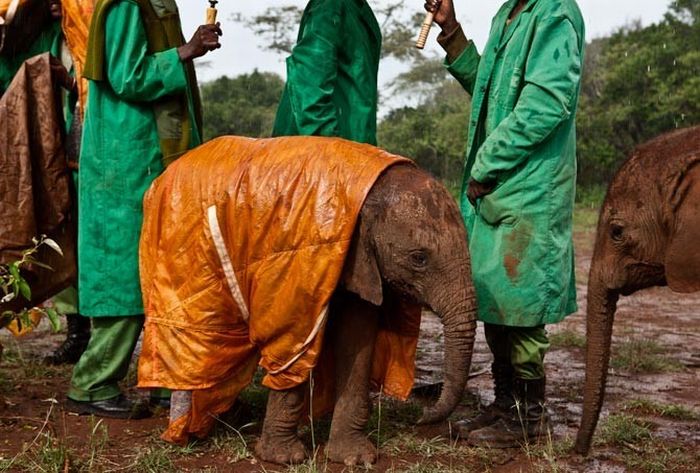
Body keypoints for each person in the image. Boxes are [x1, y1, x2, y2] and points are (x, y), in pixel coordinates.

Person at [424, 0, 585, 447]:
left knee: (523, 303)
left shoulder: (554, 14)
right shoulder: (507, 15)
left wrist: (486, 163)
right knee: (493, 295)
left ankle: (529, 418)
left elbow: (546, 105)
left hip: (531, 185)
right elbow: (489, 91)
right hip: (498, 185)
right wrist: (452, 31)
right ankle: (505, 404)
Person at [66, 0, 221, 419]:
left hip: (146, 158)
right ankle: (93, 382)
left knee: (163, 271)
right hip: (125, 159)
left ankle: (162, 380)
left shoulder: (155, 2)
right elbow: (127, 75)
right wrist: (186, 51)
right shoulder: (125, 5)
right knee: (123, 274)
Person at [0, 0, 91, 365]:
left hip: (65, 148)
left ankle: (83, 329)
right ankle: (75, 329)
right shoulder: (18, 40)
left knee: (68, 234)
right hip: (24, 150)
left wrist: (64, 79)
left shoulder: (70, 35)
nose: (57, 5)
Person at [272, 0, 381, 144]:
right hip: (317, 151)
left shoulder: (358, 8)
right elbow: (309, 85)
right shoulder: (331, 4)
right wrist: (330, 150)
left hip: (353, 147)